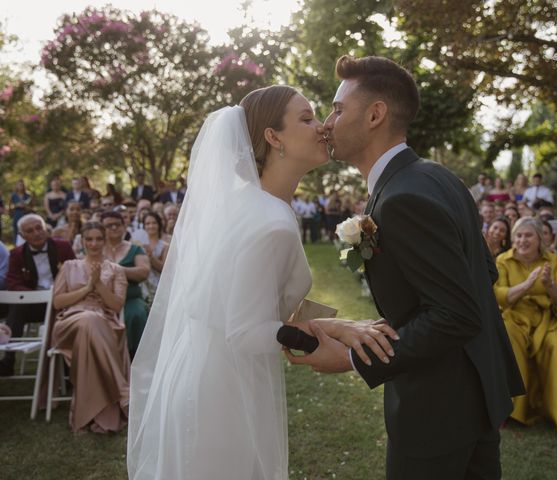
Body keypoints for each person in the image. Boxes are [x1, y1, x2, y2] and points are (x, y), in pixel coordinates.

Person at [127, 86, 390, 480]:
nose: (322, 128)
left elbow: (231, 303)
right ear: (273, 137)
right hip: (225, 392)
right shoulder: (270, 220)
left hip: (203, 371)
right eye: (306, 118)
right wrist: (331, 329)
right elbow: (247, 332)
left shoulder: (248, 205)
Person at [286, 55, 524, 479]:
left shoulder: (401, 199)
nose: (327, 122)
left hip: (438, 412)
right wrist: (391, 322)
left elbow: (456, 313)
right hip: (474, 397)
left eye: (338, 109)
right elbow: (479, 275)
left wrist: (353, 359)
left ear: (376, 114)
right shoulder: (437, 177)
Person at [495, 217, 557, 428]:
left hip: (546, 318)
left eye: (528, 235)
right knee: (509, 340)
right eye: (519, 235)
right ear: (513, 238)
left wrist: (550, 285)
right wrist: (527, 285)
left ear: (539, 238)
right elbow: (499, 295)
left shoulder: (552, 260)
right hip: (515, 317)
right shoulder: (503, 260)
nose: (523, 240)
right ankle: (510, 411)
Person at [51, 221, 128, 433]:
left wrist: (100, 286)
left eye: (98, 239)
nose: (94, 244)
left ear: (105, 241)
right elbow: (58, 302)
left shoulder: (116, 270)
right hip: (70, 321)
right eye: (89, 239)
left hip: (105, 322)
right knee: (88, 320)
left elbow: (116, 305)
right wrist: (87, 288)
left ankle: (91, 415)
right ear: (82, 241)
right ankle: (122, 390)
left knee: (92, 325)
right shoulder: (69, 266)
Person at [0, 214, 75, 376]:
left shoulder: (63, 247)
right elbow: (12, 282)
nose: (36, 233)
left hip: (61, 304)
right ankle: (8, 361)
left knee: (70, 313)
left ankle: (67, 368)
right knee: (16, 307)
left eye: (39, 228)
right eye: (30, 230)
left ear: (45, 228)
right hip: (33, 304)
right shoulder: (17, 253)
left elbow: (75, 274)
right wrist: (33, 295)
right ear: (22, 236)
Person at [101, 211, 150, 359]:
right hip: (103, 299)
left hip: (130, 298)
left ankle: (135, 358)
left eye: (118, 224)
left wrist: (117, 269)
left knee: (135, 314)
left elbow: (143, 272)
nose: (114, 228)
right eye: (109, 225)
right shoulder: (96, 248)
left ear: (124, 227)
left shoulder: (135, 249)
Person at [141, 212, 169, 305]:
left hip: (159, 286)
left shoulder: (165, 246)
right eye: (148, 224)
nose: (151, 226)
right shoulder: (138, 244)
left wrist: (150, 256)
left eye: (154, 223)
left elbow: (164, 269)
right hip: (143, 285)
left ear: (159, 225)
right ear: (144, 226)